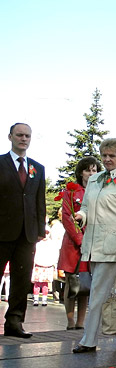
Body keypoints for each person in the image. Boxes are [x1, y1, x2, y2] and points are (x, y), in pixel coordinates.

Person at [72, 138, 116, 353]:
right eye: (105, 155)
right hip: (92, 243)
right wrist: (81, 215)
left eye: (113, 156)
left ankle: (88, 340)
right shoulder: (95, 180)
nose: (108, 159)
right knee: (105, 291)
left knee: (97, 294)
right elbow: (86, 206)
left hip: (113, 245)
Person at [1, 123, 46, 338]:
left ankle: (15, 322)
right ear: (10, 137)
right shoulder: (0, 163)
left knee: (21, 280)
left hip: (27, 234)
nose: (23, 139)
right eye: (19, 135)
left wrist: (40, 230)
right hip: (2, 231)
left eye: (27, 135)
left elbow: (39, 201)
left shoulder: (37, 168)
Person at [57, 156, 101, 329]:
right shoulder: (71, 192)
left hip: (91, 244)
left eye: (94, 170)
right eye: (87, 170)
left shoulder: (99, 191)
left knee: (85, 284)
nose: (91, 173)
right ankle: (70, 321)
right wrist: (80, 239)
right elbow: (67, 218)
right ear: (80, 172)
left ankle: (81, 322)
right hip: (73, 244)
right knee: (71, 282)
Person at [31, 232, 55, 306]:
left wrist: (54, 265)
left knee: (45, 284)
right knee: (37, 284)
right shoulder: (37, 243)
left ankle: (44, 299)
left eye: (47, 233)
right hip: (38, 265)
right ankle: (36, 298)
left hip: (47, 266)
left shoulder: (51, 244)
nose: (45, 235)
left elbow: (54, 254)